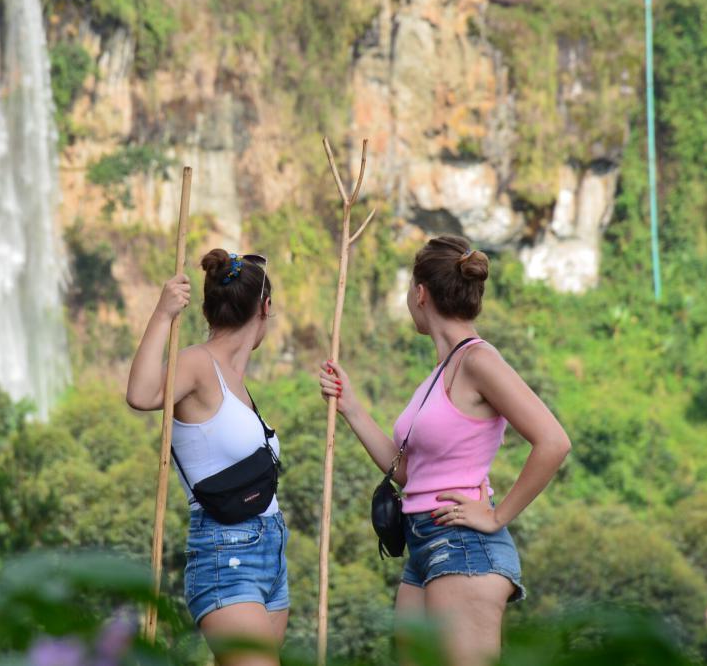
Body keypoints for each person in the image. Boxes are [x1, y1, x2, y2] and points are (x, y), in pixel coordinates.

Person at [318, 235, 571, 666]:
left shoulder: (478, 361)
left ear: (420, 293)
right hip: (424, 544)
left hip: (463, 548)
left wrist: (496, 515)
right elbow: (409, 473)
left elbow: (553, 441)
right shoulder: (444, 369)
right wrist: (351, 407)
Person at [127, 250, 287, 666]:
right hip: (227, 555)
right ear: (265, 308)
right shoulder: (198, 363)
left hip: (270, 553)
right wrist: (162, 315)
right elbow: (142, 395)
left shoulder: (236, 379)